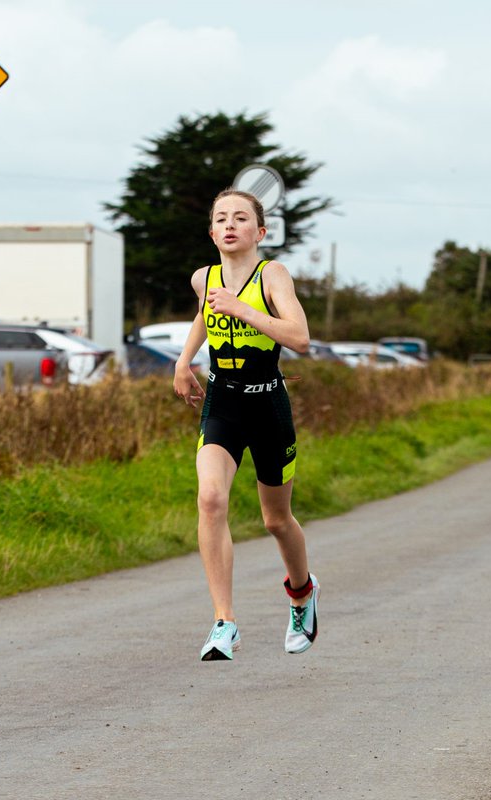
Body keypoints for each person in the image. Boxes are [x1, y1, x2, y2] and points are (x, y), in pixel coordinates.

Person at [173, 188, 319, 661]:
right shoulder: (204, 277)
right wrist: (183, 360)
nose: (230, 224)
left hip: (268, 406)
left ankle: (301, 594)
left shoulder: (272, 275)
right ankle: (224, 622)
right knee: (211, 498)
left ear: (260, 232)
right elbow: (204, 312)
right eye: (221, 218)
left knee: (276, 520)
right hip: (222, 404)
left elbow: (300, 338)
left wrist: (244, 309)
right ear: (212, 232)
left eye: (241, 218)